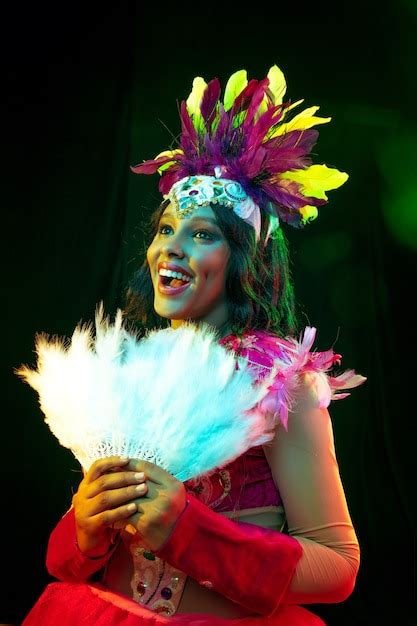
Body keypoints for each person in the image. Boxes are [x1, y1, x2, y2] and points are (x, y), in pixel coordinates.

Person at [21, 64, 365, 626]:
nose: (170, 250)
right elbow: (68, 564)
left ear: (244, 261)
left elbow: (339, 569)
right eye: (164, 230)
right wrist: (84, 529)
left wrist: (191, 533)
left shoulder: (282, 386)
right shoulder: (135, 368)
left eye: (202, 235)